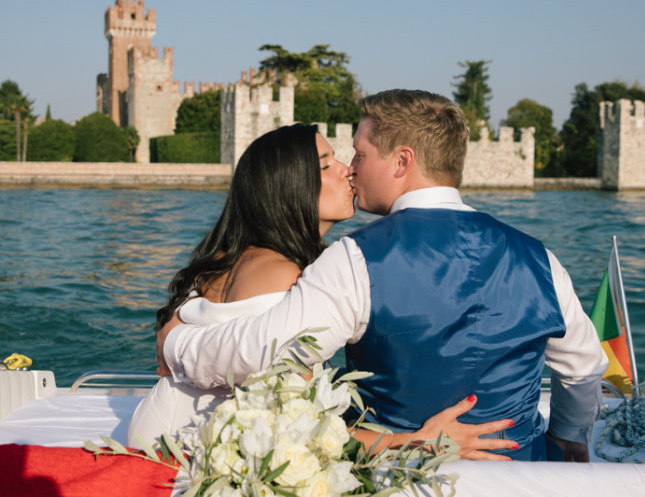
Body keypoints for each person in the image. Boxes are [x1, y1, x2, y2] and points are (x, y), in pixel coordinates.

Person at [159, 90, 607, 461]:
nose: (352, 168)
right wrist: (567, 436)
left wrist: (175, 342)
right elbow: (584, 367)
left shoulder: (354, 260)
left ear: (401, 161)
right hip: (522, 471)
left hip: (400, 474)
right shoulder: (540, 257)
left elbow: (265, 353)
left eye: (360, 153)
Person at [131, 123, 516, 460]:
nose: (348, 170)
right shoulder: (289, 279)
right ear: (289, 187)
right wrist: (418, 440)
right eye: (326, 165)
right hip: (189, 460)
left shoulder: (221, 261)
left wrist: (172, 343)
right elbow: (298, 429)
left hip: (150, 437)